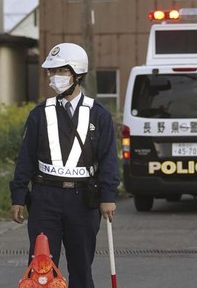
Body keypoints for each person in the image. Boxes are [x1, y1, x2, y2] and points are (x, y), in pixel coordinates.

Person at [9, 42, 120, 288]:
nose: (53, 77)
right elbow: (25, 158)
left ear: (77, 74)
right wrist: (18, 196)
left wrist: (108, 195)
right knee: (41, 265)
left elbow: (108, 158)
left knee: (81, 266)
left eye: (60, 71)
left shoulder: (98, 114)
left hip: (83, 199)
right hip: (44, 198)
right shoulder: (40, 113)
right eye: (51, 71)